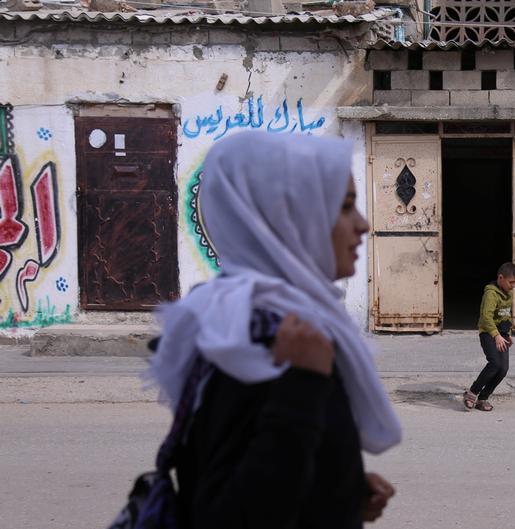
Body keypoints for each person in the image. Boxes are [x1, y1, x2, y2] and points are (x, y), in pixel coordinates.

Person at [145, 131, 402, 529]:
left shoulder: (288, 322)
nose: (363, 224)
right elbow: (228, 517)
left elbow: (271, 470)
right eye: (346, 207)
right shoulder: (262, 338)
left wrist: (339, 489)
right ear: (291, 219)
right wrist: (301, 385)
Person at [463, 262, 515, 412]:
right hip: (488, 333)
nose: (513, 286)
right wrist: (496, 336)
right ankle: (472, 393)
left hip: (502, 335)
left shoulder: (509, 293)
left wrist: (508, 334)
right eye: (511, 282)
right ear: (501, 278)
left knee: (503, 369)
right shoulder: (491, 293)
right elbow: (486, 318)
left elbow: (506, 314)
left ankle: (483, 398)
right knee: (494, 363)